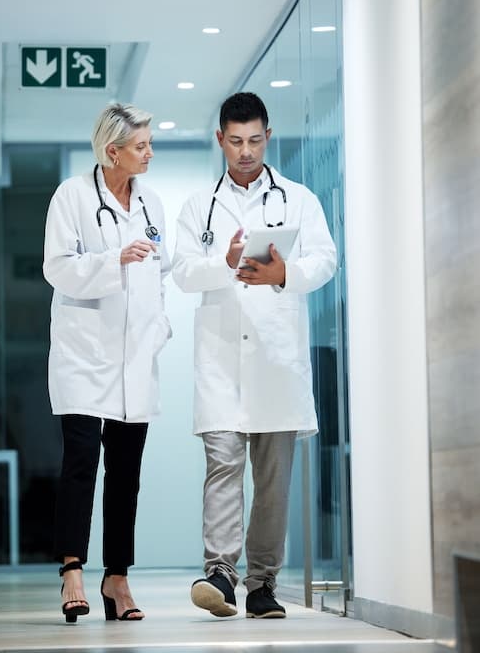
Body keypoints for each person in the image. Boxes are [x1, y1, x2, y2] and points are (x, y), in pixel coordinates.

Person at [172, 92, 336, 620]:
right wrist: (224, 263)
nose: (246, 152)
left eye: (256, 140)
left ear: (268, 136)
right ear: (220, 138)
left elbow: (326, 259)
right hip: (221, 360)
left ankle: (262, 584)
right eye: (236, 141)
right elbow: (182, 271)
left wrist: (283, 275)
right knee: (222, 465)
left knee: (272, 482)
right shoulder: (200, 206)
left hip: (275, 362)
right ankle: (220, 571)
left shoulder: (299, 198)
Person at [43, 103, 171, 623]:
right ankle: (72, 569)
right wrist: (110, 260)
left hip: (135, 355)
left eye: (150, 143)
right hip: (84, 353)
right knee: (80, 464)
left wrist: (159, 328)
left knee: (126, 473)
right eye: (141, 145)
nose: (149, 153)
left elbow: (161, 274)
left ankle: (117, 579)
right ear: (111, 150)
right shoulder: (72, 197)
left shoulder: (152, 203)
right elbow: (57, 268)